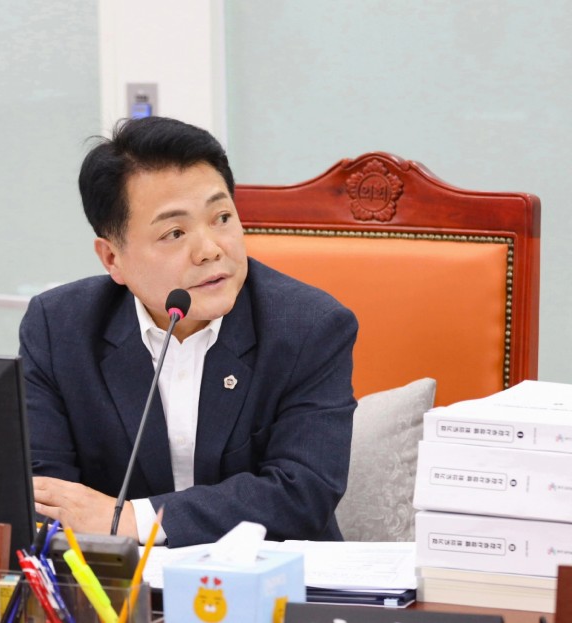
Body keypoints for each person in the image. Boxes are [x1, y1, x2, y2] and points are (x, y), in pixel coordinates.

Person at [19, 116, 358, 547]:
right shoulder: (59, 327)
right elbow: (43, 494)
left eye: (222, 218)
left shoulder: (309, 326)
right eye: (175, 232)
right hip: (113, 582)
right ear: (112, 259)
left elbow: (301, 495)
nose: (210, 250)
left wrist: (135, 520)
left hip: (271, 578)